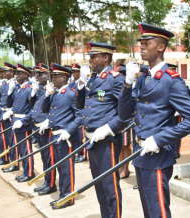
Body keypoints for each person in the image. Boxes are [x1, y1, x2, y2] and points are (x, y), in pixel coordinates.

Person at [118, 23, 190, 218]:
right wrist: (127, 84)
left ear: (161, 47)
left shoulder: (171, 80)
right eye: (140, 43)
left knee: (158, 211)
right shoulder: (143, 78)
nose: (141, 47)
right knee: (148, 210)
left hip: (158, 155)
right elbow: (125, 114)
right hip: (141, 154)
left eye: (146, 43)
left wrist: (160, 139)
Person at [76, 42, 126, 218]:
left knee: (110, 188)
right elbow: (80, 105)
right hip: (92, 140)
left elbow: (127, 111)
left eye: (93, 57)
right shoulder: (92, 78)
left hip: (106, 141)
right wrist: (81, 85)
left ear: (105, 58)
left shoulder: (115, 78)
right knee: (100, 188)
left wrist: (108, 128)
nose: (90, 60)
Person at [40, 63, 81, 209]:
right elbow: (45, 110)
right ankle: (63, 194)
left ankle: (68, 198)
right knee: (60, 168)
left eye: (56, 76)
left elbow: (80, 116)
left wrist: (68, 131)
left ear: (64, 77)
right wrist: (46, 95)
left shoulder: (70, 93)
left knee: (67, 169)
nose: (53, 79)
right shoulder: (56, 93)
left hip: (65, 137)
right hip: (55, 136)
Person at [28, 63, 57, 196]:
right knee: (44, 157)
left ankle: (51, 184)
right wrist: (33, 93)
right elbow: (33, 106)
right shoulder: (40, 89)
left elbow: (55, 109)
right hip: (38, 126)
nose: (38, 77)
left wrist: (49, 121)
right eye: (37, 74)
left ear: (48, 75)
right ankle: (47, 181)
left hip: (46, 128)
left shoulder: (52, 90)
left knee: (49, 157)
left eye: (41, 74)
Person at [6, 63, 35, 182]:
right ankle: (25, 171)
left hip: (24, 123)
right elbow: (10, 105)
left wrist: (23, 121)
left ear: (25, 75)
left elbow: (33, 109)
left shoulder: (29, 89)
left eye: (18, 74)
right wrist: (9, 91)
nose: (16, 76)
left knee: (26, 149)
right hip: (16, 120)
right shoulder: (18, 88)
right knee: (21, 149)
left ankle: (29, 173)